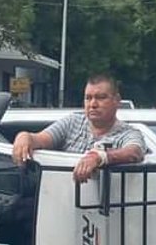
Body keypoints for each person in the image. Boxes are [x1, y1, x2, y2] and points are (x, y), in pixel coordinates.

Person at [10, 74, 145, 183]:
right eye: (88, 98)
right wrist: (24, 137)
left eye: (101, 97)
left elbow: (134, 152)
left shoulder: (128, 133)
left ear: (117, 100)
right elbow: (40, 139)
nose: (93, 104)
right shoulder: (72, 122)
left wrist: (100, 157)